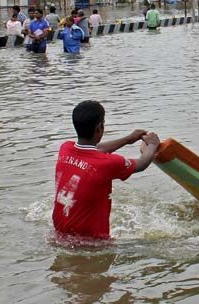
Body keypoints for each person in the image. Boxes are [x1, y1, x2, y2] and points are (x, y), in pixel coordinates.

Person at [52, 100, 160, 239]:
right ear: (99, 129)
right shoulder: (107, 163)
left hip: (59, 236)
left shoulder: (65, 149)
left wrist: (128, 139)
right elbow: (142, 164)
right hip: (93, 245)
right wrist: (152, 145)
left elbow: (95, 150)